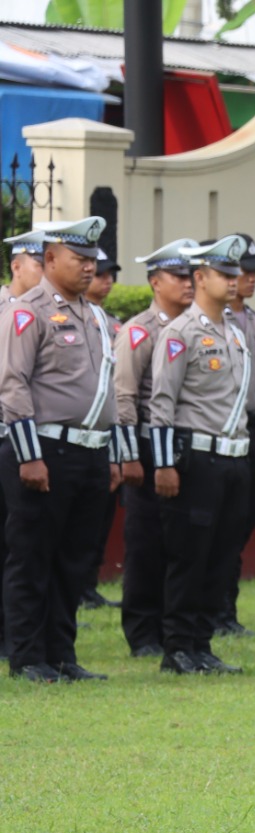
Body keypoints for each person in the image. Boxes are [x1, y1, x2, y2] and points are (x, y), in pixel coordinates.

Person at [0, 216, 120, 682]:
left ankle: (62, 654)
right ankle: (28, 656)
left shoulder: (94, 316)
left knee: (74, 559)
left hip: (89, 453)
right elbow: (13, 386)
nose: (90, 268)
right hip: (43, 451)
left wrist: (109, 453)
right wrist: (29, 456)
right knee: (32, 556)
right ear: (50, 260)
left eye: (93, 260)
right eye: (80, 259)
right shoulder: (26, 312)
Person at [146, 236, 255, 676]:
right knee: (189, 556)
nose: (233, 282)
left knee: (221, 557)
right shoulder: (180, 333)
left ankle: (203, 643)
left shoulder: (236, 331)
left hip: (233, 459)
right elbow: (161, 403)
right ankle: (177, 647)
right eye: (223, 274)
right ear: (200, 277)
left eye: (234, 274)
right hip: (197, 460)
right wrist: (164, 464)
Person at [114, 238, 198, 658]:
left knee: (181, 542)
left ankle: (174, 626)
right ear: (154, 282)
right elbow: (124, 396)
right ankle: (143, 630)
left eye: (191, 276)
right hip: (148, 447)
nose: (188, 284)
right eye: (179, 276)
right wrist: (129, 455)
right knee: (146, 540)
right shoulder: (140, 331)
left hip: (187, 449)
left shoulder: (198, 329)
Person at [213, 234, 255, 638]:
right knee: (216, 524)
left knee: (241, 520)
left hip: (252, 430)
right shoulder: (213, 321)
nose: (248, 278)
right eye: (241, 270)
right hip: (220, 430)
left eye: (253, 272)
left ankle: (226, 611)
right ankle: (211, 610)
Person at [0, 230, 48, 661]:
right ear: (17, 266)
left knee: (18, 540)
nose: (45, 271)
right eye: (39, 263)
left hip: (19, 439)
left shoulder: (44, 314)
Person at [81, 248, 123, 610]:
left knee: (97, 517)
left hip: (104, 435)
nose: (105, 280)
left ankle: (87, 584)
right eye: (100, 274)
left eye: (110, 274)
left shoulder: (112, 324)